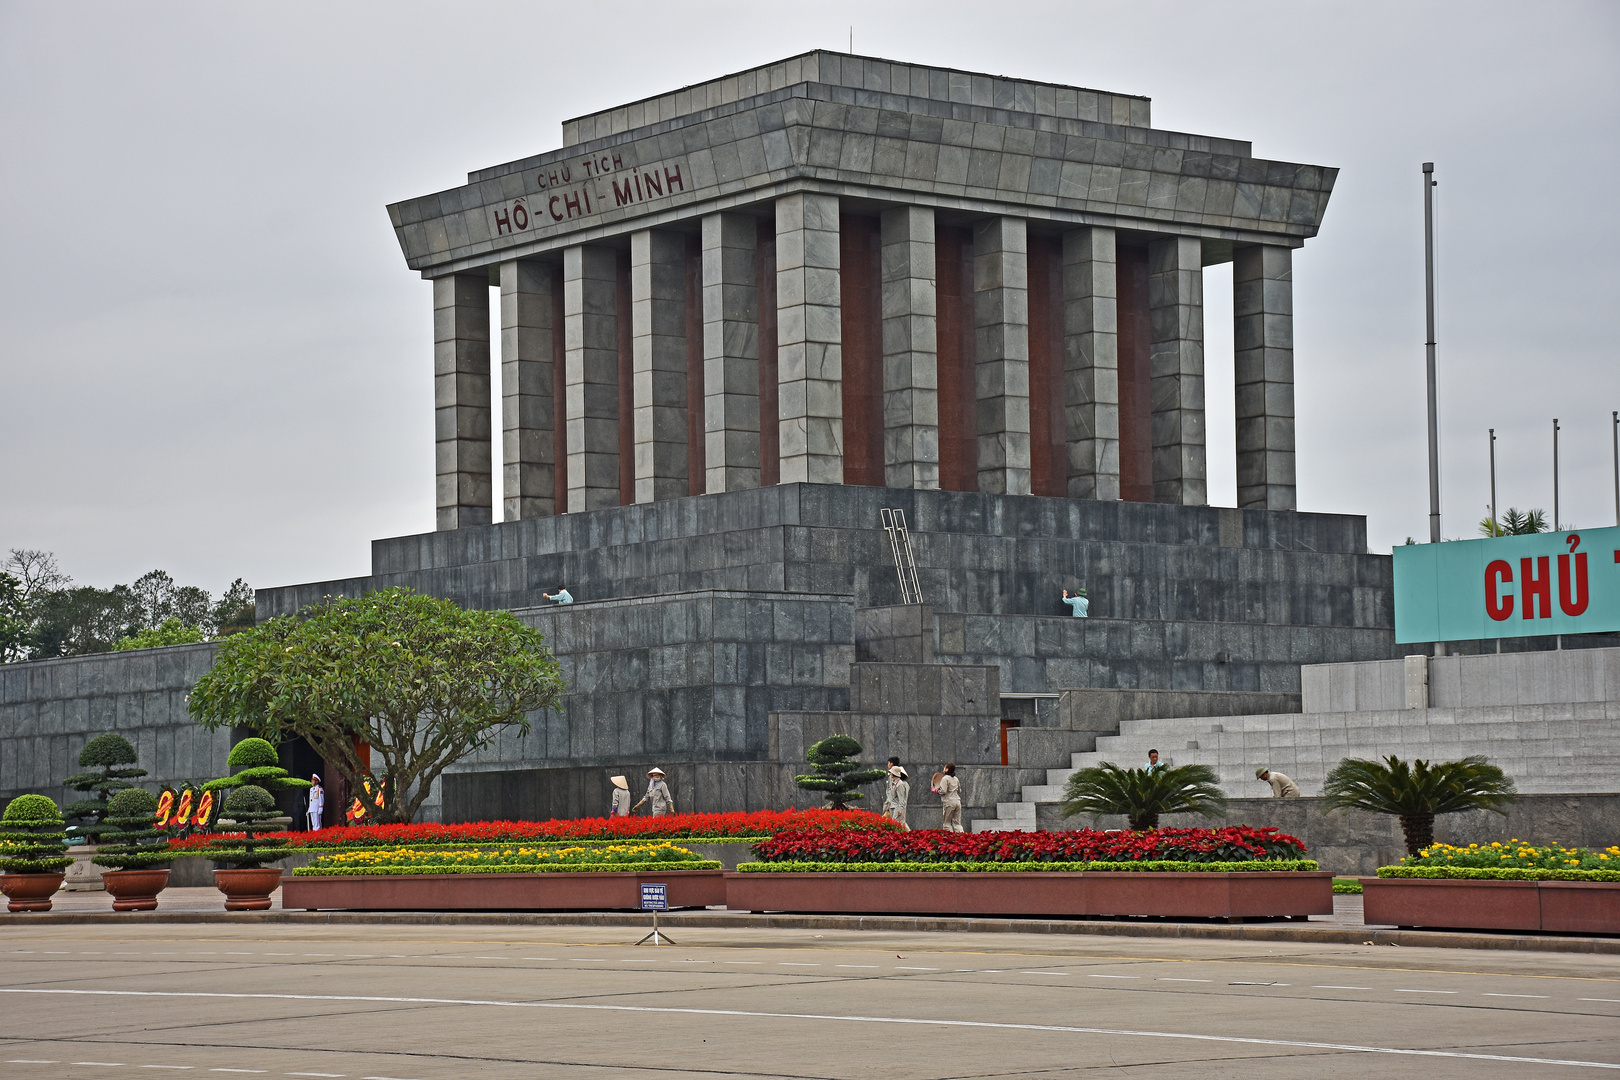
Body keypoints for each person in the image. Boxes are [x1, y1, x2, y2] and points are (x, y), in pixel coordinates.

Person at [934, 763, 962, 832]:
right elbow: (959, 790)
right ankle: (962, 837)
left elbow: (943, 791)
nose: (944, 768)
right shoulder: (956, 779)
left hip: (949, 802)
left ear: (947, 769)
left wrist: (936, 791)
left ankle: (949, 840)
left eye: (945, 767)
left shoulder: (945, 778)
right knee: (957, 824)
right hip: (957, 802)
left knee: (947, 824)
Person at [883, 764, 910, 831]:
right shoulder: (893, 783)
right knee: (896, 824)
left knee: (898, 825)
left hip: (897, 808)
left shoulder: (900, 785)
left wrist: (900, 809)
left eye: (891, 772)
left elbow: (901, 799)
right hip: (892, 806)